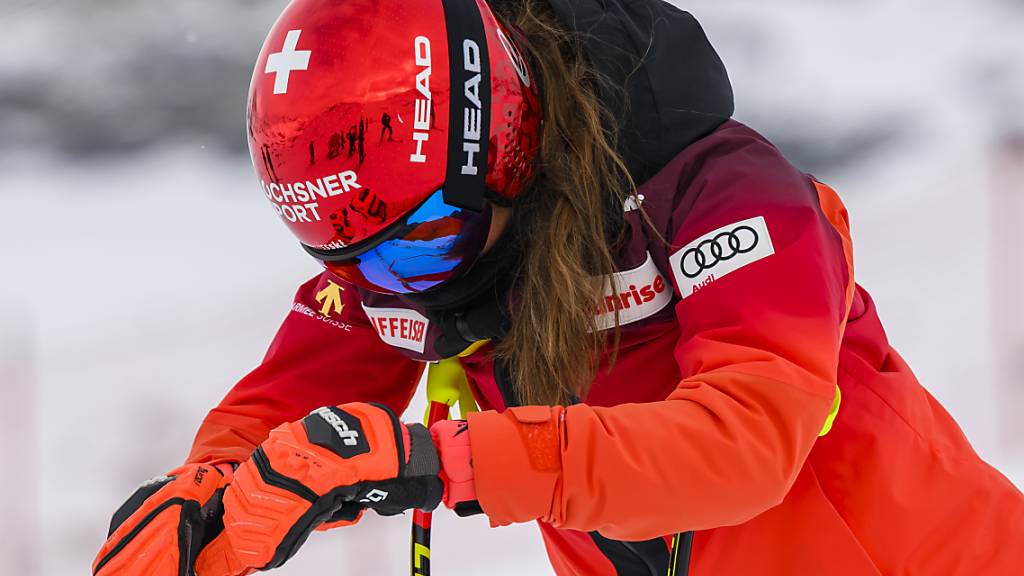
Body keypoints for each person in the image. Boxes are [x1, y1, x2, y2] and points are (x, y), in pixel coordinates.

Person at [93, 0, 1024, 575]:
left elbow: (743, 448)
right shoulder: (425, 252)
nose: (395, 290)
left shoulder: (724, 195)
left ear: (503, 147)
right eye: (352, 265)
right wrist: (201, 509)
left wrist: (440, 460)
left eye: (413, 247)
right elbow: (286, 416)